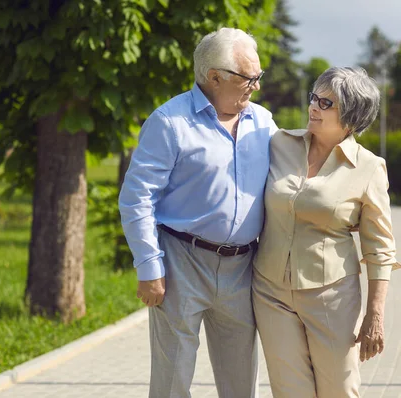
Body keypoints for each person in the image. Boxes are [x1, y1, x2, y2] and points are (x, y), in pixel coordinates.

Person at [118, 27, 277, 398]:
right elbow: (137, 198)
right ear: (214, 77)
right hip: (180, 263)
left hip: (242, 267)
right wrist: (148, 267)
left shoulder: (264, 122)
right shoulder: (169, 122)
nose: (255, 86)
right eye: (248, 78)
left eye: (258, 76)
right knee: (172, 382)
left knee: (241, 384)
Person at [252, 66, 401, 398]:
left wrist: (374, 315)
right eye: (314, 98)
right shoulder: (278, 144)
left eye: (326, 103)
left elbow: (379, 248)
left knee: (339, 390)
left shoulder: (368, 167)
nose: (313, 107)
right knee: (289, 391)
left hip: (332, 298)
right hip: (270, 292)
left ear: (350, 118)